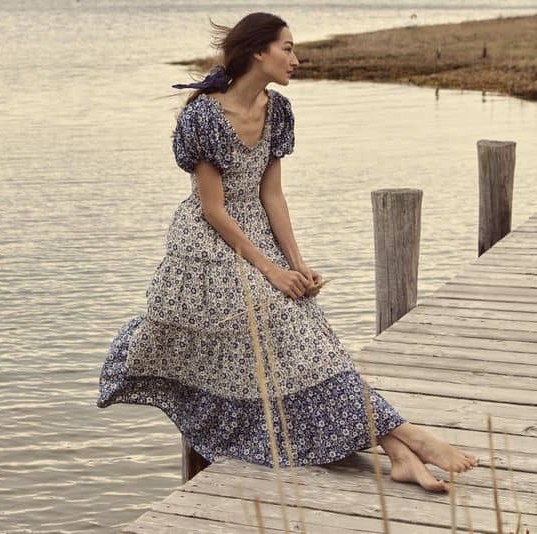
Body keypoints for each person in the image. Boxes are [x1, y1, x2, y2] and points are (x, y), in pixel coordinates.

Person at [96, 12, 478, 493]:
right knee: (288, 333)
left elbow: (271, 195)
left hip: (260, 238)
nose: (296, 59)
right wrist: (271, 271)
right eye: (288, 48)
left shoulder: (277, 111)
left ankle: (400, 451)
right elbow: (213, 210)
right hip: (207, 248)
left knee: (310, 344)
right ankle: (410, 437)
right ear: (259, 52)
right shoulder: (202, 117)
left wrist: (296, 263)